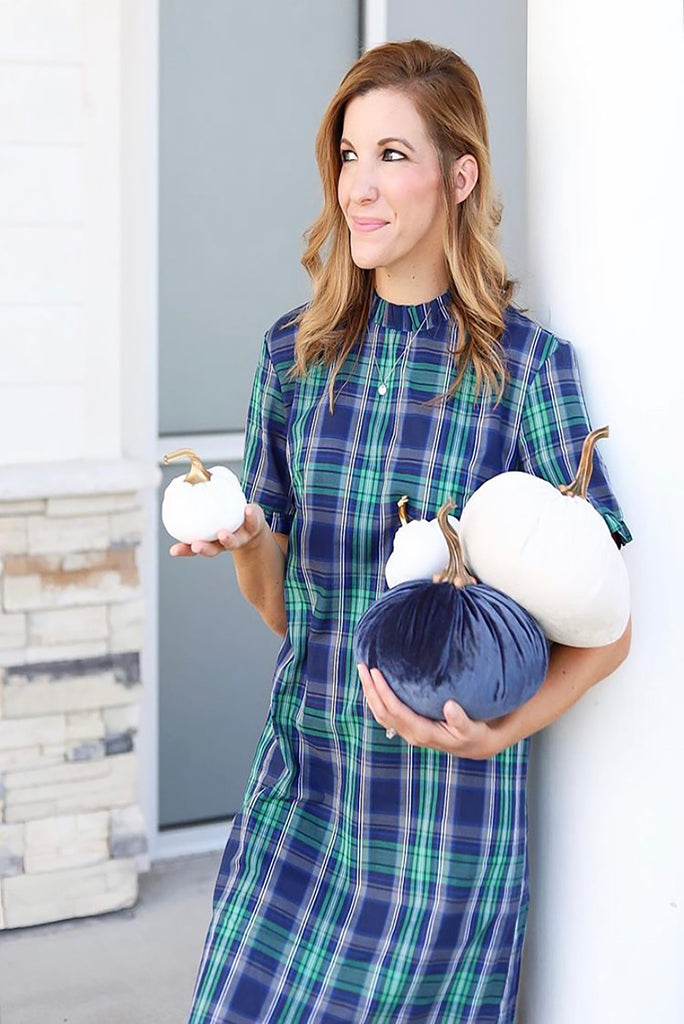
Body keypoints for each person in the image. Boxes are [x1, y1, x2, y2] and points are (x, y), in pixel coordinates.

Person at [174, 39, 632, 1024]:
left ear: (458, 175)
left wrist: (500, 733)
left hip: (441, 824)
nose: (359, 187)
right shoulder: (291, 360)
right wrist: (251, 537)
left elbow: (606, 625)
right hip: (301, 787)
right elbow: (286, 615)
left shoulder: (528, 372)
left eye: (391, 155)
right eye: (347, 157)